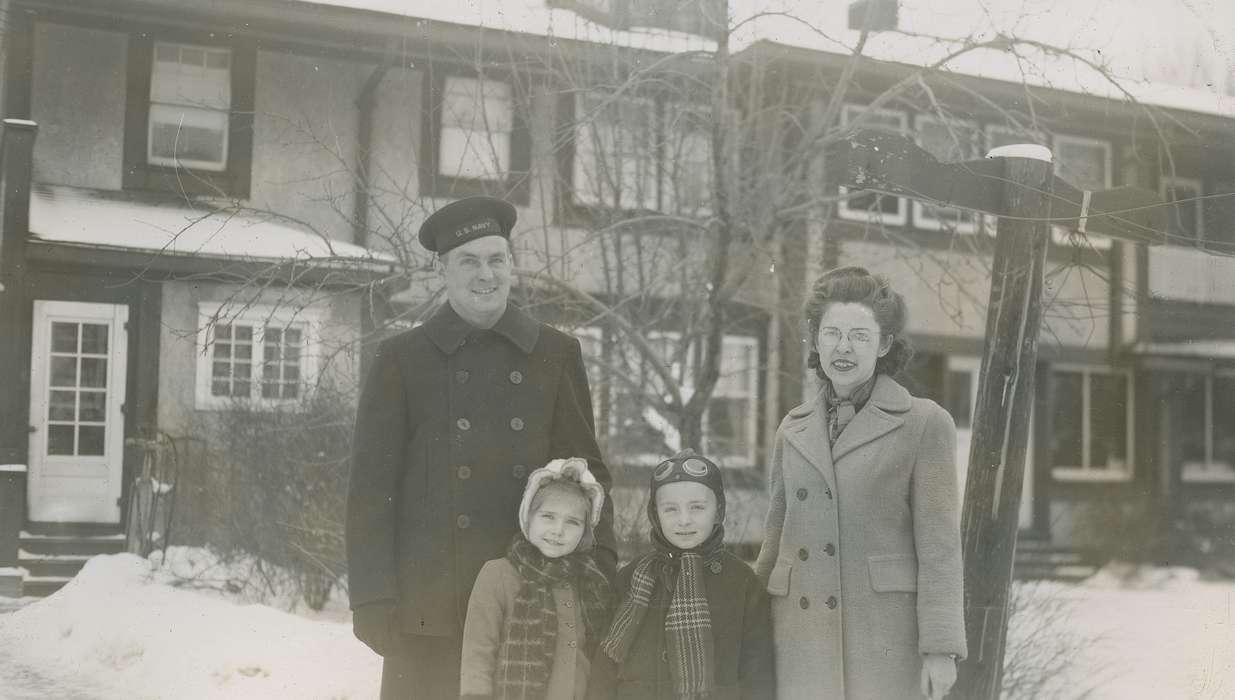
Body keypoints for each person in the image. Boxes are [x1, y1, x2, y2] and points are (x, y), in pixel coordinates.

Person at [346, 195, 617, 700]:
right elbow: (370, 491)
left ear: (512, 265)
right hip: (427, 606)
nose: (485, 274)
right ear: (442, 270)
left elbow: (588, 476)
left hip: (529, 602)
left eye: (496, 259)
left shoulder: (556, 354)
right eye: (469, 261)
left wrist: (600, 570)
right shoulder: (402, 360)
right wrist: (372, 594)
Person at [754, 266, 966, 700]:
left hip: (881, 642)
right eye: (831, 333)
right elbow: (775, 543)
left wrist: (940, 650)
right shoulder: (792, 429)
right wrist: (747, 628)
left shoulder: (924, 424)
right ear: (815, 339)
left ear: (884, 344)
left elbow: (940, 549)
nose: (843, 348)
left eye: (860, 336)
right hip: (799, 638)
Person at [589, 451, 775, 700]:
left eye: (697, 508)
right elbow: (604, 667)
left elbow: (758, 671)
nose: (684, 520)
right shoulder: (631, 578)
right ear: (655, 514)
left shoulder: (742, 583)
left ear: (718, 511)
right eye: (671, 509)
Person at [460, 458, 613, 700]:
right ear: (528, 517)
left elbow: (595, 651)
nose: (558, 530)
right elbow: (479, 649)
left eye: (572, 522)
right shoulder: (498, 574)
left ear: (585, 533)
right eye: (548, 517)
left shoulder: (589, 581)